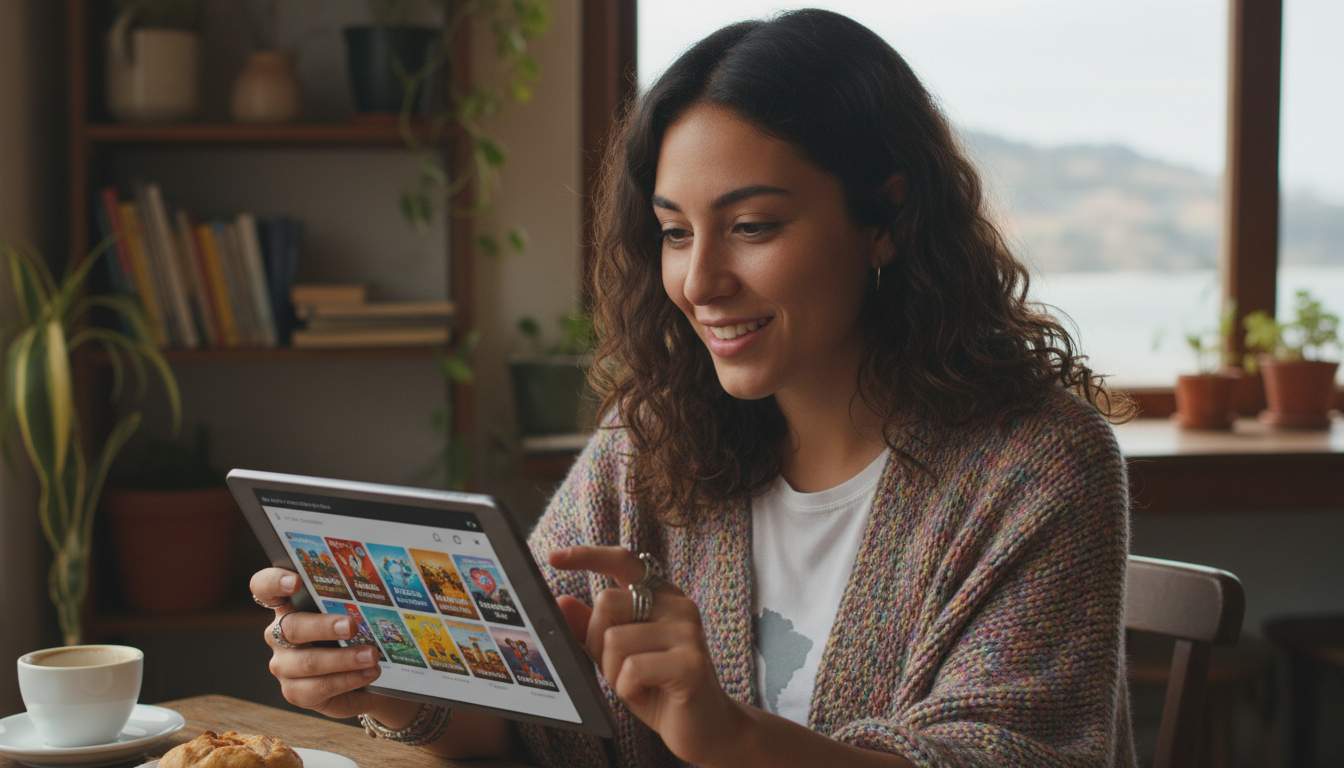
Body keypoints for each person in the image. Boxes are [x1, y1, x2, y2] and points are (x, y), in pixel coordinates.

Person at [249, 9, 1136, 766]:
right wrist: (386, 680)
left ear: (888, 219)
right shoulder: (651, 441)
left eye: (752, 226)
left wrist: (730, 740)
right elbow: (543, 714)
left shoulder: (1036, 464)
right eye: (675, 233)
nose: (700, 281)